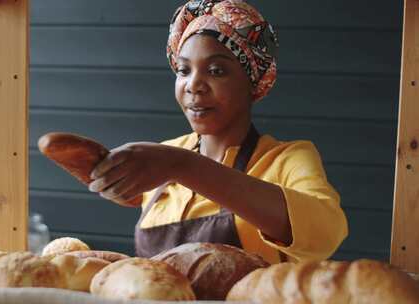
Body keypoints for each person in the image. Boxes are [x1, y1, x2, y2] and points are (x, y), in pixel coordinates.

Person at [88, 0, 348, 263]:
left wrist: (181, 166)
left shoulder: (287, 159)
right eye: (184, 70)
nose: (194, 85)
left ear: (253, 82)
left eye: (216, 70)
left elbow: (326, 234)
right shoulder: (165, 154)